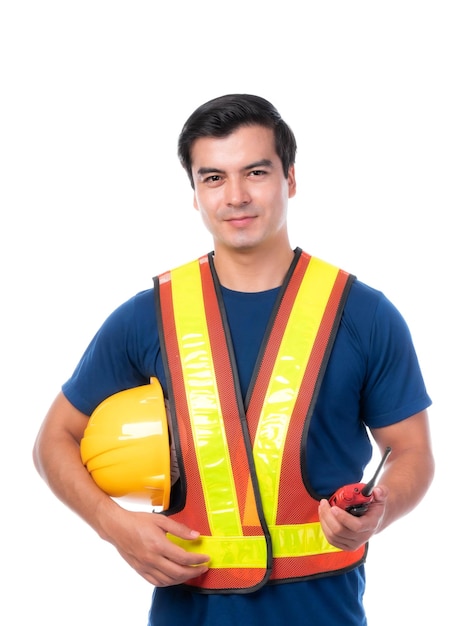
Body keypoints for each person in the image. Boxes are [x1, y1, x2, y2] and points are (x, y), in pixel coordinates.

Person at [33, 94, 434, 626]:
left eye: (256, 172)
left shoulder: (364, 314)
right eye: (214, 178)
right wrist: (113, 524)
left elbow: (411, 452)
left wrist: (378, 512)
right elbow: (52, 440)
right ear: (195, 194)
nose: (237, 196)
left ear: (290, 178)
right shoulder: (147, 317)